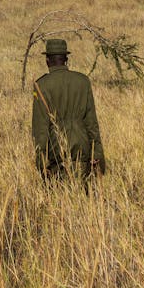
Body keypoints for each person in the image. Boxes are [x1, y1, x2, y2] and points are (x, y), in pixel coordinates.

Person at [31, 38, 105, 181]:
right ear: (66, 59)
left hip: (56, 153)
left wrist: (41, 163)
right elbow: (91, 122)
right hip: (83, 151)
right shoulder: (83, 81)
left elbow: (40, 129)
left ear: (47, 60)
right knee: (85, 198)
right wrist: (97, 154)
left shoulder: (41, 86)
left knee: (58, 199)